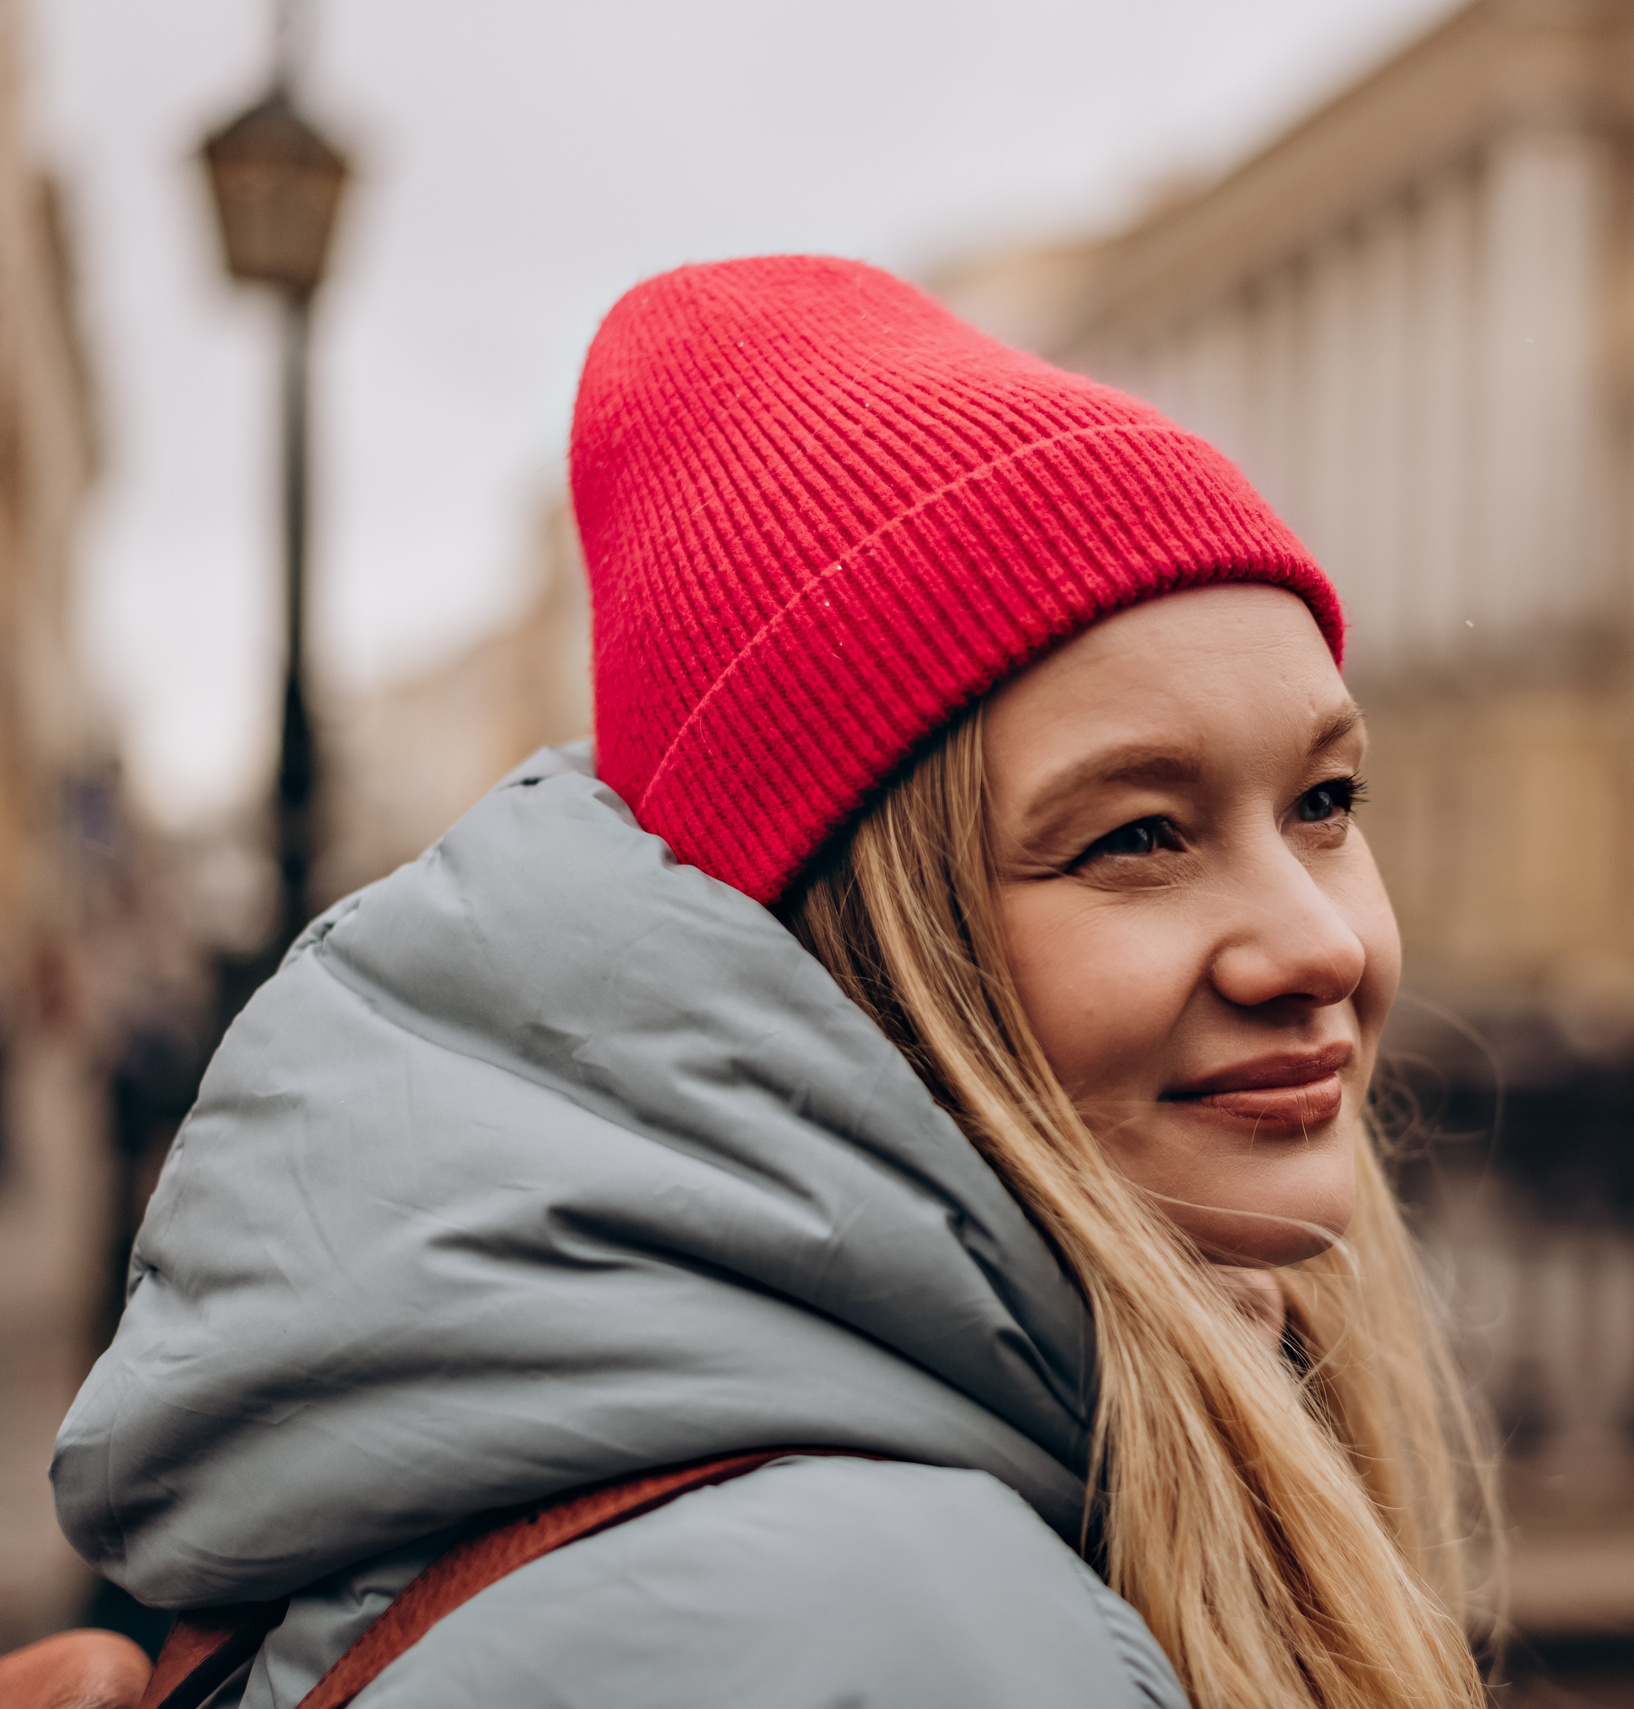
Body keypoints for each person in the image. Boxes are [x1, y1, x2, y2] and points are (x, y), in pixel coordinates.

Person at [52, 257, 1492, 1709]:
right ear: (852, 944)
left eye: (1325, 802)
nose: (1319, 945)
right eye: (1136, 837)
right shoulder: (899, 1636)